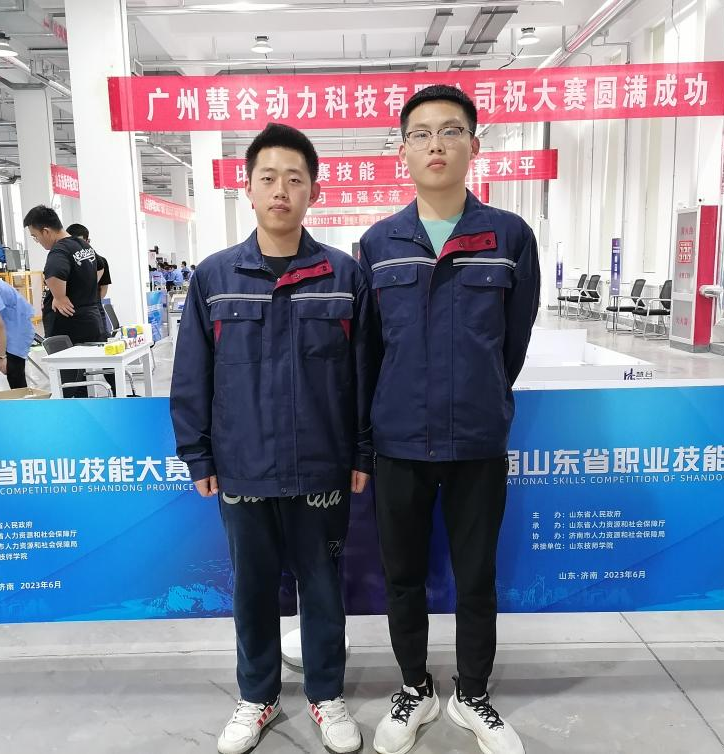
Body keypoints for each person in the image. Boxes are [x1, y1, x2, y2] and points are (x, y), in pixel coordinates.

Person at [171, 123, 377, 754]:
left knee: (323, 587)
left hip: (321, 465)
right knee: (252, 589)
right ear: (249, 188)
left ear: (313, 190)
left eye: (294, 178)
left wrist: (362, 450)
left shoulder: (344, 275)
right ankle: (257, 697)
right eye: (269, 178)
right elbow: (192, 372)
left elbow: (365, 373)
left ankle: (326, 694)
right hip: (244, 465)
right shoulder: (215, 277)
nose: (281, 190)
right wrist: (198, 453)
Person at [360, 85, 540, 754]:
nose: (435, 144)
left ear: (473, 144)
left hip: (476, 441)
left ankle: (473, 694)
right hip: (398, 440)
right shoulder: (378, 243)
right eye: (421, 133)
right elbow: (368, 351)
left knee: (476, 578)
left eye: (450, 131)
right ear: (403, 150)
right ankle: (414, 689)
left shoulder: (509, 237)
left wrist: (478, 394)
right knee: (402, 577)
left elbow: (512, 342)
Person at [24, 206, 105, 398]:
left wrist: (60, 297)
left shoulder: (59, 250)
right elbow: (101, 266)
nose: (37, 241)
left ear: (46, 231)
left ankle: (69, 411)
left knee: (66, 382)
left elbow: (53, 272)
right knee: (82, 376)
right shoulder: (82, 245)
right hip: (89, 318)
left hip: (68, 325)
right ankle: (82, 407)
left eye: (35, 236)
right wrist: (83, 287)